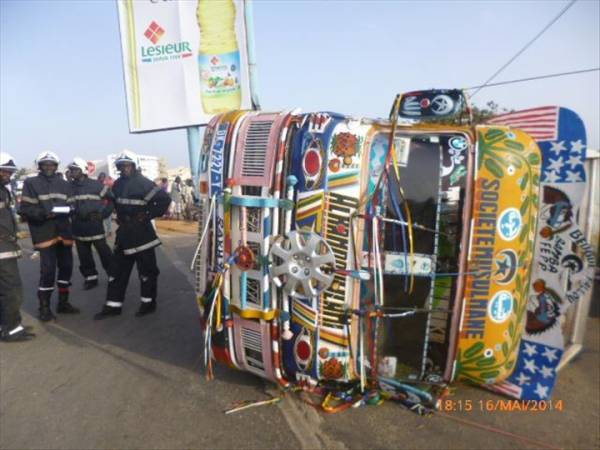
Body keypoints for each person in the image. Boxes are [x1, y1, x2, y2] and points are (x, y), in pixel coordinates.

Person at [94, 150, 171, 320]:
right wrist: (101, 214)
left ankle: (148, 303)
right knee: (117, 271)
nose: (124, 169)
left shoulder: (144, 183)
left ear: (134, 166)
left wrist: (148, 214)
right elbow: (112, 203)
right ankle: (113, 306)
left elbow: (164, 200)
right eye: (121, 166)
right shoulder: (117, 184)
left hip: (142, 234)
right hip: (124, 235)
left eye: (127, 165)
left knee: (147, 272)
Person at [18, 151, 79, 321]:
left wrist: (70, 209)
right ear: (40, 166)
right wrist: (45, 214)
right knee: (48, 271)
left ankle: (63, 303)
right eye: (45, 164)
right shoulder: (31, 183)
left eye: (51, 164)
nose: (48, 167)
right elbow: (25, 209)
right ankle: (44, 308)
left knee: (66, 268)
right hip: (44, 232)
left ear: (56, 166)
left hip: (64, 232)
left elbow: (73, 204)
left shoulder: (64, 184)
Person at [0, 153, 35, 342]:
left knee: (4, 290)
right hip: (2, 248)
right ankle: (11, 329)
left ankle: (6, 325)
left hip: (6, 244)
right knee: (11, 289)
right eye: (4, 171)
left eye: (10, 171)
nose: (9, 174)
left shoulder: (4, 190)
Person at [68, 158, 114, 290]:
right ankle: (90, 278)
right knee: (84, 255)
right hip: (78, 227)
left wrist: (103, 214)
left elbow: (111, 200)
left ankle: (113, 274)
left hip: (95, 225)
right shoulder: (69, 188)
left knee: (104, 252)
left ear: (83, 170)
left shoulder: (96, 185)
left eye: (75, 170)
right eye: (71, 170)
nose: (72, 172)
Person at [97, 172, 113, 236]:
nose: (102, 178)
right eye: (101, 177)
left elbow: (111, 196)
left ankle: (109, 231)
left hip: (105, 204)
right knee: (99, 220)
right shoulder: (95, 185)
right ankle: (102, 232)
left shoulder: (106, 186)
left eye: (103, 177)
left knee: (108, 219)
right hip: (98, 205)